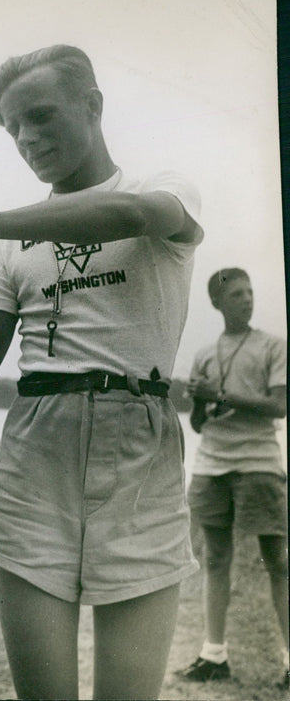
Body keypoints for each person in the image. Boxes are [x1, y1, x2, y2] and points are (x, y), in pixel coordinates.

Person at [0, 44, 204, 699]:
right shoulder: (4, 246)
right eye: (12, 128)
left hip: (138, 447)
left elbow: (131, 217)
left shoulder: (161, 188)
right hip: (35, 453)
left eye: (40, 115)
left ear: (92, 105)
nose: (26, 138)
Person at [178, 268, 288, 688]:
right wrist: (201, 401)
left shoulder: (273, 346)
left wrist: (218, 395)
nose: (246, 299)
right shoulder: (205, 353)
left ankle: (289, 660)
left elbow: (279, 407)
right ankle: (214, 655)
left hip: (259, 462)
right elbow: (201, 424)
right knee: (215, 559)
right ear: (217, 303)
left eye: (249, 291)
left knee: (277, 561)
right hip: (211, 466)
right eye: (236, 294)